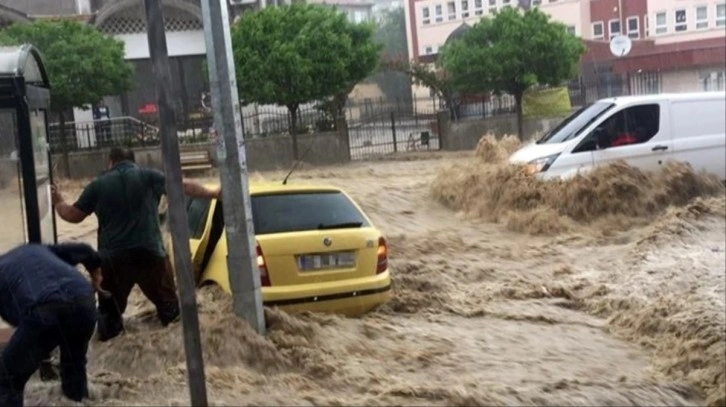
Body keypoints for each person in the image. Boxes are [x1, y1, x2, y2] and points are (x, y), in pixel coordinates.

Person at [51, 147, 221, 341]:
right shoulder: (148, 176)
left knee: (109, 319)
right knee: (171, 314)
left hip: (113, 260)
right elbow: (182, 186)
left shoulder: (97, 185)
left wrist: (58, 201)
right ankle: (176, 349)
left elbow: (72, 215)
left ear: (110, 162)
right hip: (151, 254)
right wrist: (213, 192)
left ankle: (111, 346)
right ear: (133, 161)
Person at [0, 242, 108, 407]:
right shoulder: (36, 250)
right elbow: (85, 251)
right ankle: (78, 399)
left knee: (7, 378)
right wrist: (96, 275)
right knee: (74, 370)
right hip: (84, 301)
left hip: (44, 310)